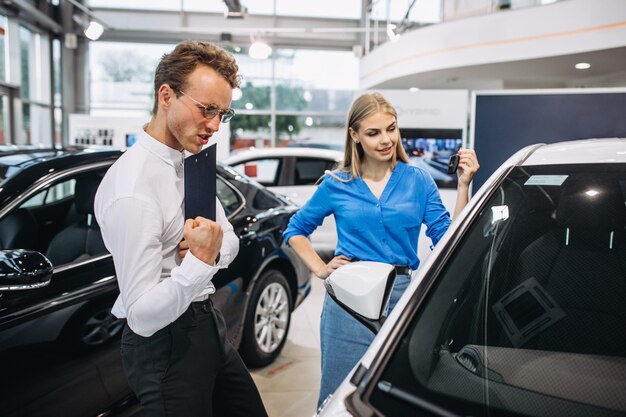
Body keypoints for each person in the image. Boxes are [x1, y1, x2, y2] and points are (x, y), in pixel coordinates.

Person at [94, 40, 268, 417]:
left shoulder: (191, 163)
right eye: (207, 109)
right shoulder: (132, 190)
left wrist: (213, 251)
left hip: (206, 321)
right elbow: (141, 316)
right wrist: (201, 261)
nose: (215, 126)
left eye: (223, 113)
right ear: (166, 95)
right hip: (163, 345)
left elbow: (229, 239)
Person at [282, 92, 479, 407]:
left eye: (391, 128)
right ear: (355, 135)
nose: (386, 139)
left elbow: (448, 240)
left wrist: (464, 185)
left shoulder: (418, 180)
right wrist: (321, 269)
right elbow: (295, 230)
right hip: (348, 301)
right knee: (338, 393)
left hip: (402, 298)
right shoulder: (337, 183)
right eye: (373, 133)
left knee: (397, 394)